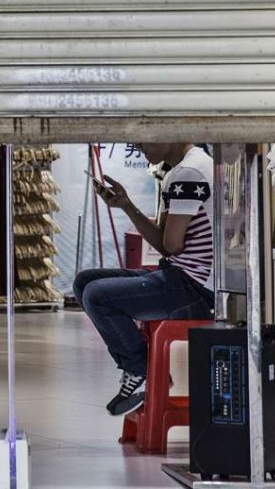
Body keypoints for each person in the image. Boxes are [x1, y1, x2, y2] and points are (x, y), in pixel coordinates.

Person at [73, 143, 215, 416]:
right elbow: (166, 246)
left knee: (96, 295)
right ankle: (144, 368)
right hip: (179, 275)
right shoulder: (177, 171)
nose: (137, 146)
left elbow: (171, 245)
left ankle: (141, 370)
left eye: (142, 138)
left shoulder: (188, 173)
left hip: (195, 289)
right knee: (84, 282)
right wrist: (126, 205)